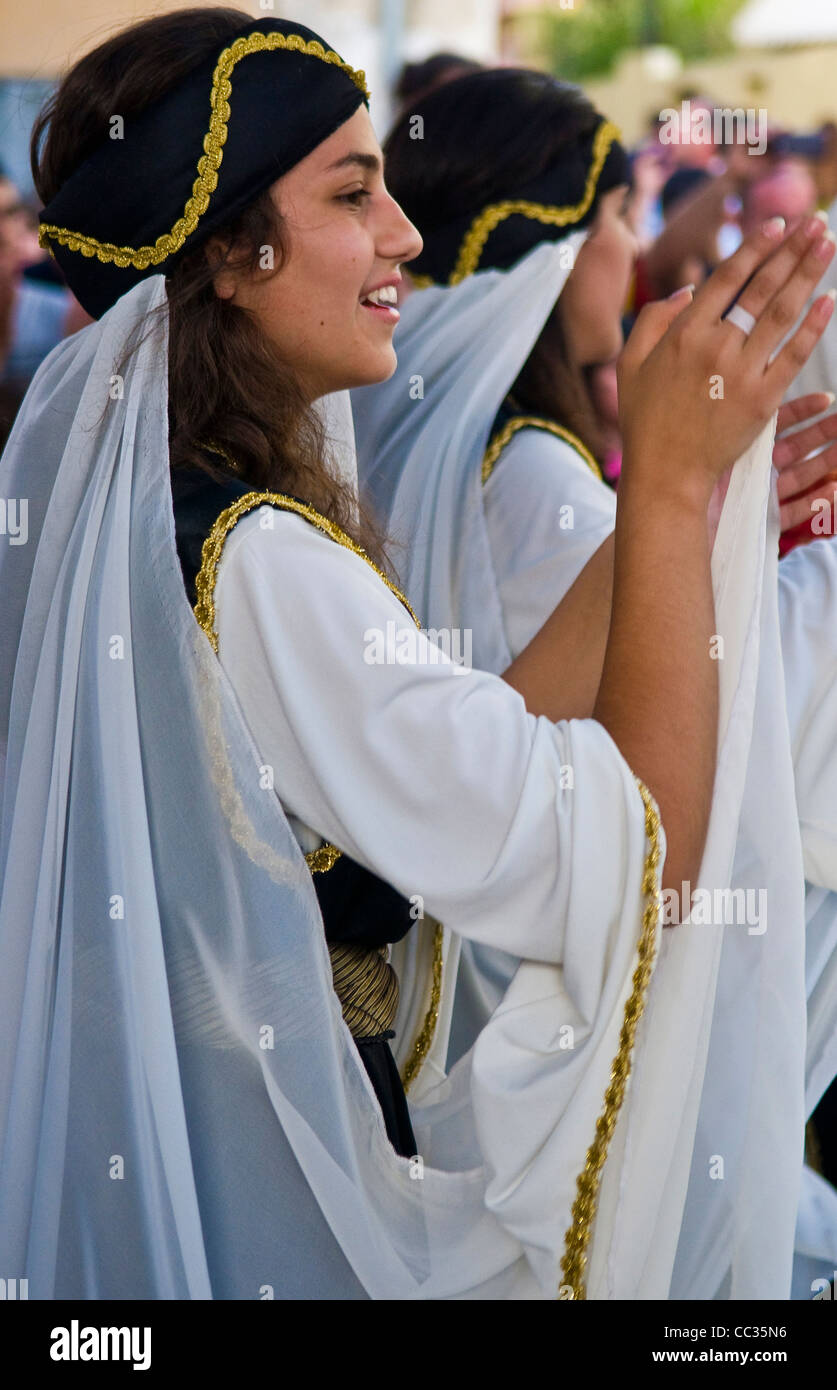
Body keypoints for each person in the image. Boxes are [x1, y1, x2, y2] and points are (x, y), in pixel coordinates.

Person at [0, 9, 833, 1301]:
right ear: (229, 251)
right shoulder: (256, 555)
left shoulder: (175, 513)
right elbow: (638, 853)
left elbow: (455, 736)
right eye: (352, 192)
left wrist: (690, 518)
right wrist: (664, 495)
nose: (401, 238)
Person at [353, 67, 837, 1296]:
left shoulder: (515, 467)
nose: (636, 249)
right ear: (539, 252)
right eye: (614, 215)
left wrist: (708, 512)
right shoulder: (541, 490)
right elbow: (773, 749)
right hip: (585, 1036)